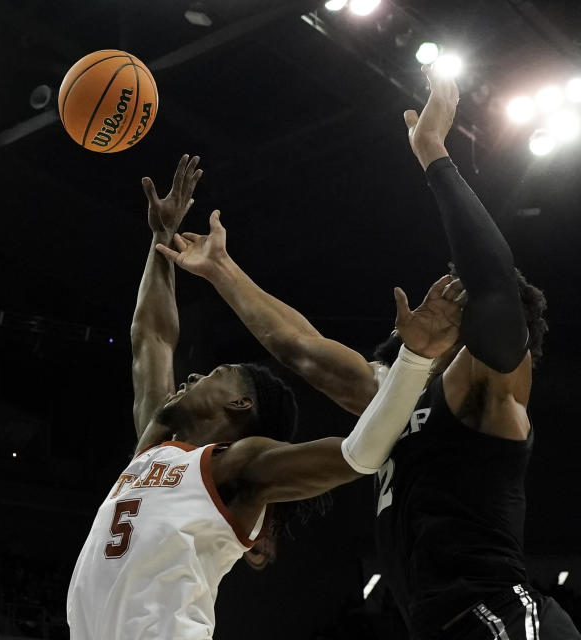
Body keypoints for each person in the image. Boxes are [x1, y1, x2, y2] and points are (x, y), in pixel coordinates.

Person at [157, 69, 577, 639]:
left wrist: (433, 153)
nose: (441, 296)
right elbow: (299, 348)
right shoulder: (395, 393)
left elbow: (496, 283)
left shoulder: (490, 390)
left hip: (496, 615)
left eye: (459, 294)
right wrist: (222, 271)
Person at [66, 154, 466, 640]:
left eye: (216, 373)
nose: (192, 375)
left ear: (240, 406)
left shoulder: (238, 467)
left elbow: (357, 456)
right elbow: (150, 339)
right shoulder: (154, 446)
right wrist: (160, 242)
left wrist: (416, 360)